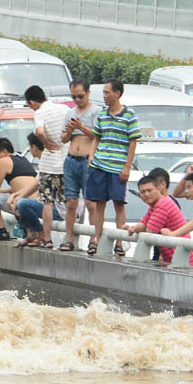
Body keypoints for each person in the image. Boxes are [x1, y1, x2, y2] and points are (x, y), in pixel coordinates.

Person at [86, 79, 141, 256]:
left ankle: (120, 241)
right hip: (99, 164)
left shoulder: (129, 115)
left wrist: (127, 166)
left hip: (117, 167)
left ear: (117, 93)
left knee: (119, 204)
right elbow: (96, 137)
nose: (104, 96)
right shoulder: (102, 114)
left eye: (107, 92)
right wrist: (91, 156)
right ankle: (97, 239)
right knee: (99, 204)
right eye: (103, 93)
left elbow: (133, 142)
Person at [25, 84, 70, 250]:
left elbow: (40, 131)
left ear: (32, 102)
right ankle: (70, 238)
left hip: (49, 165)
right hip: (66, 164)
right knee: (68, 203)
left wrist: (46, 143)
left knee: (47, 203)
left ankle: (48, 238)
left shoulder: (39, 112)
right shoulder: (64, 109)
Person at [59, 77, 100, 252]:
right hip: (71, 159)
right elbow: (63, 139)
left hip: (87, 161)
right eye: (74, 97)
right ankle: (68, 238)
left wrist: (81, 127)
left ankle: (94, 238)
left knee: (91, 203)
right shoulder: (70, 113)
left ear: (88, 93)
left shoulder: (97, 112)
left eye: (80, 96)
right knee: (71, 202)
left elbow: (98, 136)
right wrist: (69, 129)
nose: (77, 100)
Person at [123, 175, 193, 266]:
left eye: (149, 190)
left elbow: (150, 230)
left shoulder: (163, 205)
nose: (146, 194)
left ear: (158, 189)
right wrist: (133, 228)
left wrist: (135, 229)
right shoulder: (154, 206)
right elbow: (143, 224)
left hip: (183, 262)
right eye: (143, 192)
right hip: (174, 260)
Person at [0, 137, 39, 242]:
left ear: (4, 152)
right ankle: (28, 231)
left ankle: (2, 231)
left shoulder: (4, 161)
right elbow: (21, 185)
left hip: (23, 204)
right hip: (36, 202)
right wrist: (3, 191)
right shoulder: (23, 159)